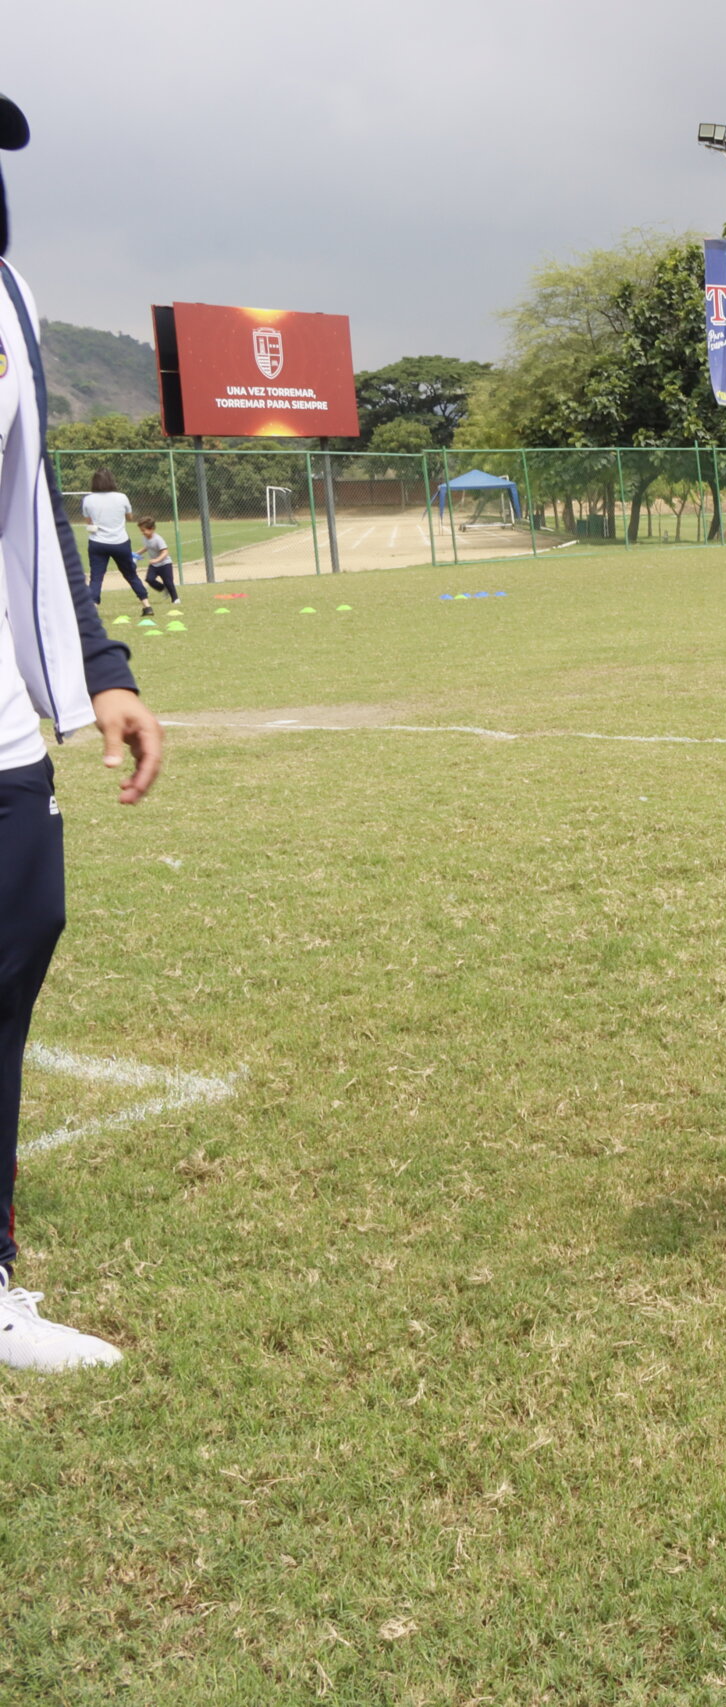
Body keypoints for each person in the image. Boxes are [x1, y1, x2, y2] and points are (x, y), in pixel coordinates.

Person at [0, 92, 167, 1372]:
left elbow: (30, 496)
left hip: (4, 728)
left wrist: (100, 669)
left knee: (17, 952)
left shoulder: (9, 301)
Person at [80, 469, 147, 616]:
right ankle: (146, 605)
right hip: (120, 542)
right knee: (130, 574)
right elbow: (129, 517)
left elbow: (88, 521)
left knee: (96, 577)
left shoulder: (88, 499)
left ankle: (93, 609)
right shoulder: (122, 497)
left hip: (97, 542)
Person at [137, 518, 179, 609]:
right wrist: (137, 554)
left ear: (152, 529)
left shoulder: (158, 539)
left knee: (168, 582)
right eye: (141, 530)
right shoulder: (145, 538)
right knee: (149, 579)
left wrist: (157, 560)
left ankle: (175, 599)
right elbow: (147, 547)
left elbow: (165, 552)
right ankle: (163, 588)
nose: (142, 532)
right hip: (154, 565)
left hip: (165, 564)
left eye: (144, 530)